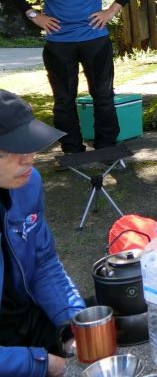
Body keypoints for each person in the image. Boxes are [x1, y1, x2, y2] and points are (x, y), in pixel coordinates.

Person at [5, 0, 136, 154]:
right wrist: (34, 15)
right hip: (59, 42)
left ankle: (106, 146)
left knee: (103, 95)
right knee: (64, 100)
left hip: (95, 38)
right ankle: (72, 149)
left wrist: (111, 11)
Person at [0, 90, 85, 377]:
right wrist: (42, 364)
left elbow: (43, 262)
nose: (30, 160)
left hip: (24, 315)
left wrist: (72, 325)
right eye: (15, 151)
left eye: (30, 146)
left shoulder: (28, 183)